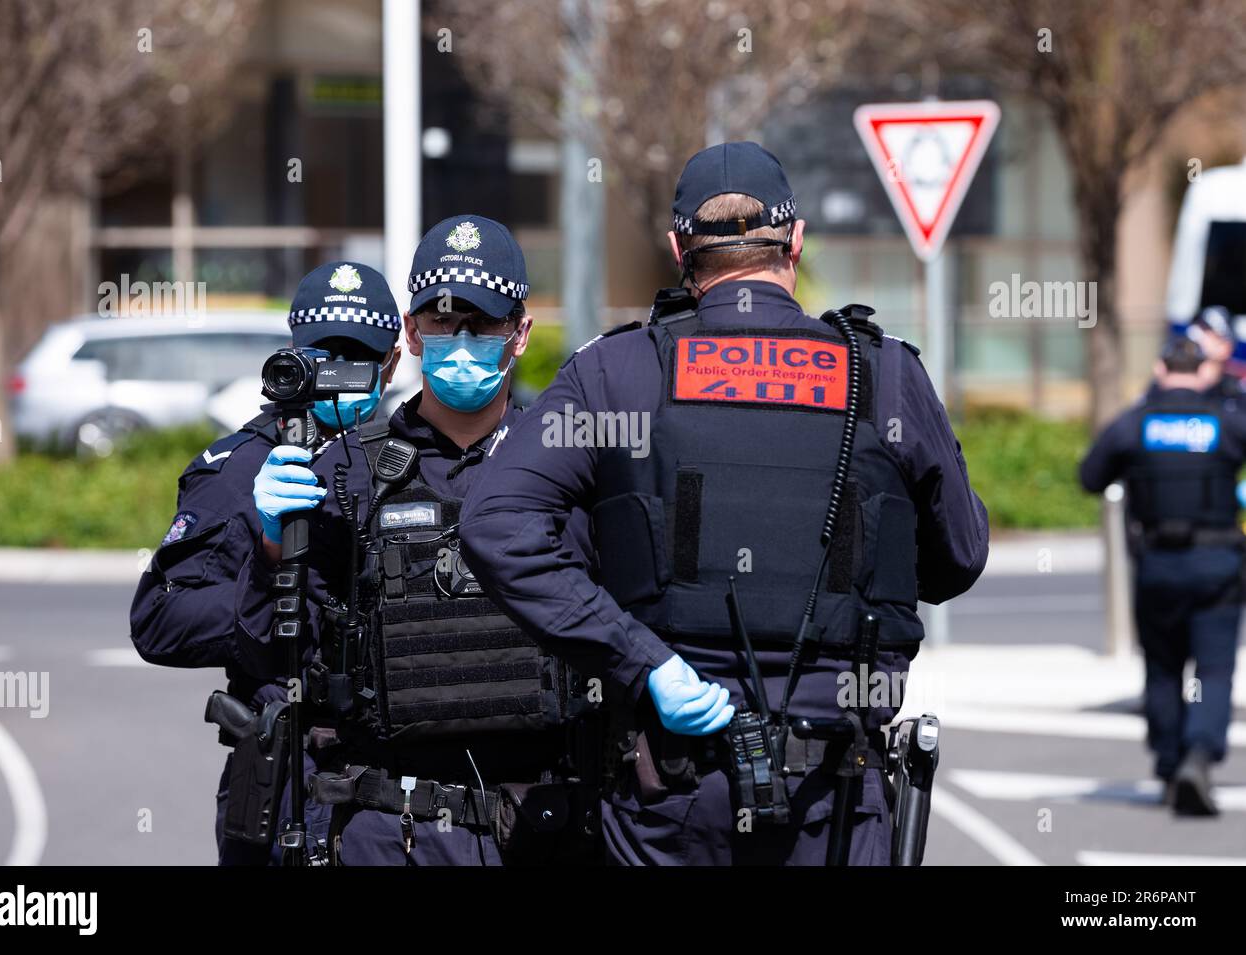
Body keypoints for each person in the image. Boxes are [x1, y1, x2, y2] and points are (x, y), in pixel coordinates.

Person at [458, 141, 989, 865]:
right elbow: (958, 558)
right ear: (796, 240)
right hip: (835, 798)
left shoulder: (617, 372)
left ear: (678, 247)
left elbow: (494, 524)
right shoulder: (885, 373)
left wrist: (642, 660)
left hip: (668, 792)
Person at [233, 215, 601, 865]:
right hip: (389, 831)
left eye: (483, 323)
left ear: (520, 333)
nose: (461, 339)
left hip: (535, 833)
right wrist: (270, 547)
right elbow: (271, 656)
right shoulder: (344, 471)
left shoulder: (566, 465)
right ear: (411, 330)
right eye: (440, 319)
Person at [129, 260, 402, 864]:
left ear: (391, 363)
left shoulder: (412, 461)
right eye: (321, 353)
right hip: (283, 776)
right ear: (293, 351)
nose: (336, 373)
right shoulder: (240, 468)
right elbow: (158, 622)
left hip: (391, 777)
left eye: (355, 357)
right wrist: (267, 570)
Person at [1081, 336, 1245, 815]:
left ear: (1159, 369)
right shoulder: (1227, 424)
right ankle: (1200, 754)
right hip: (1219, 567)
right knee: (1214, 671)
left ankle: (1171, 765)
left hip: (1158, 568)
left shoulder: (1134, 425)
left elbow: (1090, 476)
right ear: (1202, 373)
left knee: (1163, 669)